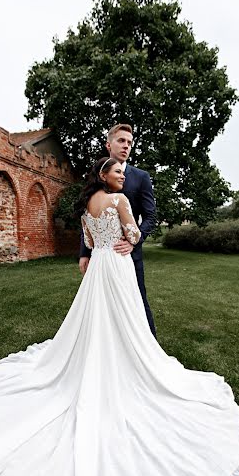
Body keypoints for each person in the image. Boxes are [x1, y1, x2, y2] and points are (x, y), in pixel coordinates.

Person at [0, 156, 239, 476]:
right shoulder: (120, 202)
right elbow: (135, 236)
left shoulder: (89, 205)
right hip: (117, 268)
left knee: (93, 324)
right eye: (117, 171)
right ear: (104, 175)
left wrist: (110, 242)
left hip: (99, 267)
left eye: (124, 172)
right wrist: (132, 236)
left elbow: (90, 240)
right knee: (123, 323)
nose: (123, 176)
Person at [79, 124, 157, 337]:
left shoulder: (141, 177)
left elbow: (151, 217)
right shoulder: (97, 173)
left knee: (137, 301)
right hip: (100, 257)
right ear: (108, 144)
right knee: (100, 306)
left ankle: (150, 348)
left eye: (130, 143)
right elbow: (89, 216)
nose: (126, 146)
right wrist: (84, 254)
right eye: (121, 141)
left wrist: (134, 242)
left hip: (130, 256)